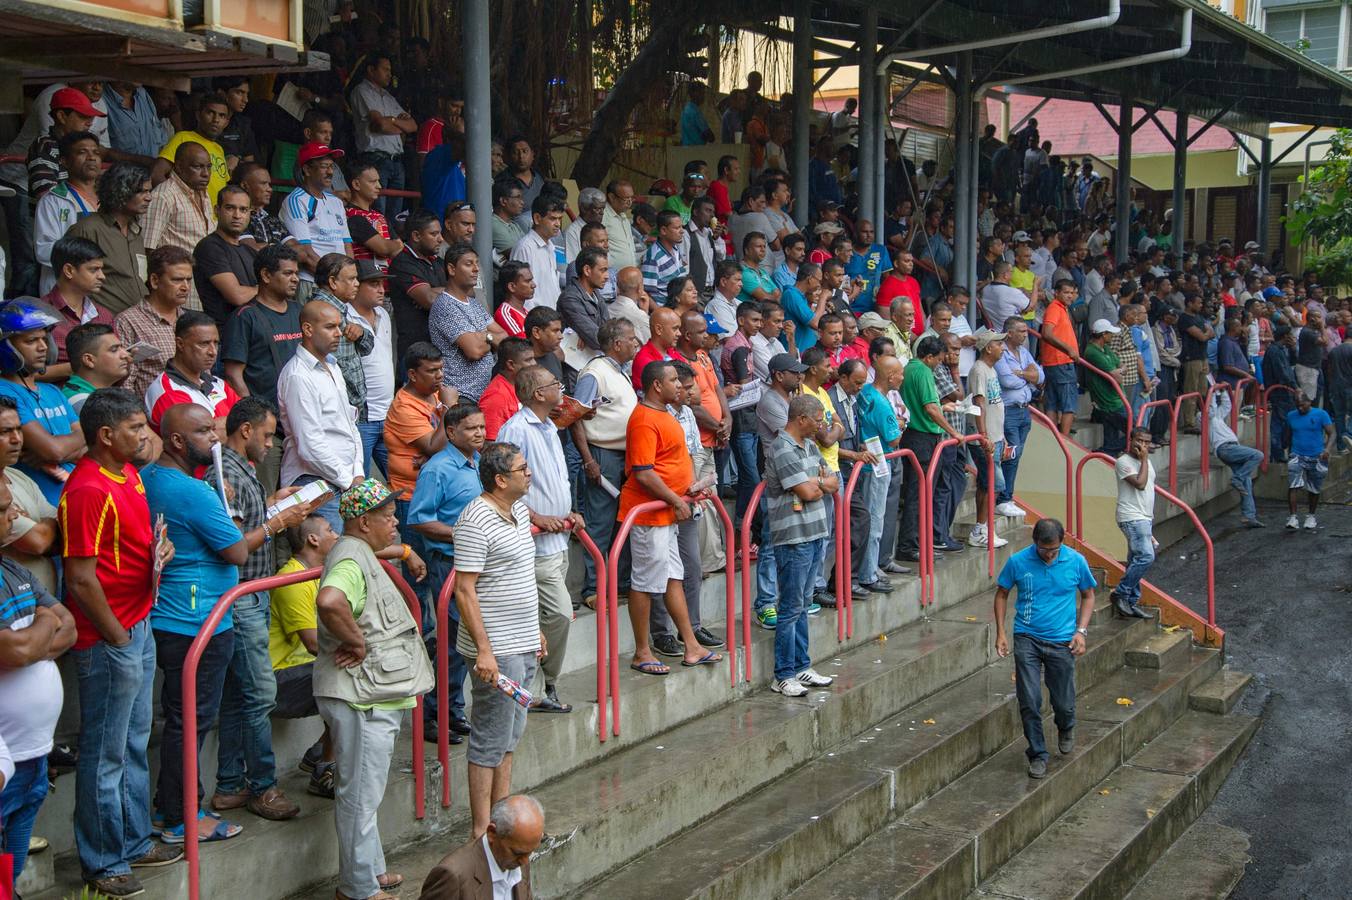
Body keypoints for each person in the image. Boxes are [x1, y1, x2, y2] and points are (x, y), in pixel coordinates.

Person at [62, 389, 181, 897]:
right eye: (135, 427)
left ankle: (132, 843)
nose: (144, 434)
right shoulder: (87, 489)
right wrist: (115, 635)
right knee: (105, 752)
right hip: (111, 636)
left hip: (138, 622)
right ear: (106, 436)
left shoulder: (127, 473)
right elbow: (81, 578)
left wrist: (160, 550)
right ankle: (103, 859)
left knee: (132, 742)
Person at [315, 479, 433, 900]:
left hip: (367, 695)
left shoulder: (357, 549)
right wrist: (356, 641)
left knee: (365, 793)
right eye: (387, 516)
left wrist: (404, 550)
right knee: (359, 797)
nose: (395, 521)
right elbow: (330, 601)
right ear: (363, 522)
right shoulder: (350, 558)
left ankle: (370, 870)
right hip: (359, 697)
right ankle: (358, 888)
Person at [141, 404, 249, 843]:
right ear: (177, 442)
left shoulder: (153, 477)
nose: (215, 438)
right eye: (204, 431)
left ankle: (174, 808)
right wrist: (279, 521)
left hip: (174, 616)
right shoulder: (193, 492)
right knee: (191, 722)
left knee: (185, 720)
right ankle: (182, 818)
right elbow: (238, 552)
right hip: (196, 620)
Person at [204, 397, 312, 820]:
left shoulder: (242, 469)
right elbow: (232, 540)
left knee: (239, 695)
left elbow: (246, 518)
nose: (271, 445)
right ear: (245, 430)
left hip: (253, 592)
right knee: (260, 693)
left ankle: (230, 783)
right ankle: (262, 786)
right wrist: (275, 524)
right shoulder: (224, 472)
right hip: (242, 593)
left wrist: (273, 502)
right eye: (267, 435)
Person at [452, 442, 542, 837]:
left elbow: (522, 575)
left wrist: (535, 628)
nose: (529, 473)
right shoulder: (475, 520)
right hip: (496, 651)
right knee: (490, 737)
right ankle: (479, 829)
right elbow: (464, 590)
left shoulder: (519, 511)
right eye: (522, 469)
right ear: (500, 479)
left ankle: (502, 821)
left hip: (523, 643)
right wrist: (484, 652)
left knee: (510, 735)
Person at [0, 474, 76, 888]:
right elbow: (16, 653)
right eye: (2, 509)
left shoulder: (12, 568)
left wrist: (33, 637)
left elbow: (69, 629)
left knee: (8, 870)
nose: (15, 515)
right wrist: (42, 627)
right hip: (4, 762)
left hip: (33, 757)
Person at [621, 361, 721, 672]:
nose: (681, 385)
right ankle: (642, 652)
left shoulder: (667, 414)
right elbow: (644, 472)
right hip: (650, 515)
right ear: (656, 386)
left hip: (668, 512)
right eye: (674, 380)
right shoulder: (644, 418)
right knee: (645, 582)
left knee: (672, 578)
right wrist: (676, 499)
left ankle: (691, 645)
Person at [496, 367, 579, 712]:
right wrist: (535, 517)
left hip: (558, 538)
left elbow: (553, 480)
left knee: (551, 616)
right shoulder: (516, 428)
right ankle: (541, 682)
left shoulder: (549, 426)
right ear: (537, 394)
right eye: (553, 385)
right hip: (535, 541)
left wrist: (569, 512)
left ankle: (544, 685)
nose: (559, 388)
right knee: (558, 613)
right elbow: (504, 484)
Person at [994, 517, 1096, 779]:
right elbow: (1002, 593)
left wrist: (1081, 631)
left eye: (1054, 550)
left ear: (1062, 543)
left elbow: (1088, 595)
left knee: (1063, 701)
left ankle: (1066, 725)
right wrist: (1001, 633)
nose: (1049, 555)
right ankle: (1037, 753)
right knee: (1029, 699)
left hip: (1062, 640)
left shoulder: (1075, 561)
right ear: (1035, 543)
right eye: (1044, 550)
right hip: (1026, 637)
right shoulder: (1018, 562)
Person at [408, 400, 484, 741]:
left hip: (476, 563)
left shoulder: (478, 463)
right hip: (448, 564)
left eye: (481, 427)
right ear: (451, 432)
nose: (479, 433)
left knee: (465, 642)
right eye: (471, 428)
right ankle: (432, 715)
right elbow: (420, 518)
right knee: (452, 643)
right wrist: (460, 533)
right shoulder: (437, 469)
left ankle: (452, 709)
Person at [764, 393, 839, 697]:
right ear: (802, 419)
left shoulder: (809, 445)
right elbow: (809, 491)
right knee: (791, 606)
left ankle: (802, 665)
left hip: (815, 533)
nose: (822, 426)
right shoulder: (781, 448)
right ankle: (783, 674)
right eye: (818, 420)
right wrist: (818, 483)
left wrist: (818, 483)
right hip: (794, 538)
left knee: (804, 604)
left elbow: (832, 481)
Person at [268, 513, 341, 797]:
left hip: (303, 669)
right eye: (329, 529)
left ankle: (318, 753)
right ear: (313, 539)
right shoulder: (293, 578)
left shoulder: (320, 572)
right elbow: (314, 644)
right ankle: (325, 767)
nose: (335, 535)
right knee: (348, 671)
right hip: (279, 680)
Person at [277, 300, 365, 530]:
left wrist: (357, 472)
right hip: (315, 481)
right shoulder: (298, 376)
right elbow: (309, 444)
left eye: (339, 326)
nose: (338, 333)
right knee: (327, 555)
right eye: (330, 327)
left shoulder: (333, 366)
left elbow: (350, 424)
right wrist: (349, 479)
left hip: (344, 479)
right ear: (307, 329)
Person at [571, 319, 639, 608]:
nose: (636, 344)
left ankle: (619, 583)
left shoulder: (618, 371)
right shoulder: (595, 373)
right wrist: (588, 460)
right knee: (600, 522)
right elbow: (575, 416)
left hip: (623, 456)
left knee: (622, 521)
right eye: (632, 339)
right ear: (617, 343)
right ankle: (592, 589)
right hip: (602, 454)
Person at [0, 299, 85, 504]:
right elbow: (53, 450)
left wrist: (61, 453)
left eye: (44, 339)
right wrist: (65, 448)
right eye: (31, 341)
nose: (42, 347)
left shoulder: (52, 391)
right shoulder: (4, 393)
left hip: (78, 497)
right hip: (46, 506)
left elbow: (90, 443)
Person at [897, 336, 966, 562]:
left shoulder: (909, 368)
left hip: (914, 436)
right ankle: (910, 545)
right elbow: (930, 409)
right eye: (938, 359)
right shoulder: (924, 372)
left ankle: (918, 543)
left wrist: (941, 406)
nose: (939, 363)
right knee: (919, 494)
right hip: (922, 438)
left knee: (918, 493)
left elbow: (929, 404)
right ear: (928, 357)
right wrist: (953, 432)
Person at [65, 162, 152, 315]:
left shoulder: (135, 231)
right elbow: (69, 282)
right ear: (120, 192)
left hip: (137, 323)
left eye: (149, 191)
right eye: (141, 192)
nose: (149, 198)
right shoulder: (88, 229)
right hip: (102, 327)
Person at [418, 794, 541, 899]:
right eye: (517, 853)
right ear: (492, 833)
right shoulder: (453, 876)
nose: (525, 861)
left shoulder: (520, 858)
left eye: (530, 853)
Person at [143, 141, 217, 310]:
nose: (206, 173)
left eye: (209, 167)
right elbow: (148, 250)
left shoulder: (204, 195)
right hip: (177, 299)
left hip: (204, 294)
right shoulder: (163, 197)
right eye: (198, 167)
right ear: (179, 167)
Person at [0, 396, 62, 593]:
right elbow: (38, 543)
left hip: (44, 599)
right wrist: (44, 526)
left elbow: (63, 528)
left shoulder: (16, 475)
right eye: (5, 432)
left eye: (19, 429)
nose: (17, 439)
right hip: (15, 607)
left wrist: (43, 527)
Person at [114, 245, 190, 399]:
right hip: (154, 417)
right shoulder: (128, 321)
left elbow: (205, 374)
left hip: (198, 410)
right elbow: (125, 383)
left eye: (189, 280)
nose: (186, 287)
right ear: (154, 281)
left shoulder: (189, 320)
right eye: (177, 280)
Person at [431, 243, 505, 401]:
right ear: (451, 269)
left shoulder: (474, 304)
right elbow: (474, 351)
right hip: (461, 395)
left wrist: (484, 336)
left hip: (484, 394)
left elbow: (504, 338)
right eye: (468, 264)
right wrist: (489, 338)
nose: (476, 269)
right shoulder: (445, 306)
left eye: (477, 263)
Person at [144, 310, 238, 434]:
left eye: (215, 343)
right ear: (180, 344)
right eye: (204, 344)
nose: (213, 352)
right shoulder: (167, 392)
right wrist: (236, 424)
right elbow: (201, 440)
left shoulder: (217, 383)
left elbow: (249, 419)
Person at [34, 132, 103, 298]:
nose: (91, 158)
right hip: (66, 293)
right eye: (82, 152)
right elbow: (43, 250)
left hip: (103, 290)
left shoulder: (110, 200)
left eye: (96, 152)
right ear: (64, 161)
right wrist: (87, 254)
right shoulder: (53, 200)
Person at [281, 142, 353, 296]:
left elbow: (347, 245)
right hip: (313, 283)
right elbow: (306, 254)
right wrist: (334, 280)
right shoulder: (296, 200)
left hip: (339, 284)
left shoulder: (336, 202)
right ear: (307, 169)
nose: (330, 172)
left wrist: (348, 278)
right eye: (324, 166)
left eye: (331, 166)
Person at [39, 235, 115, 381]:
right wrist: (75, 367)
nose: (102, 276)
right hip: (57, 400)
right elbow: (23, 374)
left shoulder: (103, 316)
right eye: (94, 270)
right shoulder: (40, 315)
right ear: (69, 270)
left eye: (101, 269)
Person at [349, 54, 415, 219]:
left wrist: (391, 121)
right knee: (378, 212)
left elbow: (413, 126)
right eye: (385, 69)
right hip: (375, 160)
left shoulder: (388, 96)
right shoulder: (361, 91)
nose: (389, 74)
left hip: (396, 160)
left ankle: (390, 243)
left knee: (395, 216)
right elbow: (380, 124)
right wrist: (396, 122)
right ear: (371, 70)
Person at [348, 260, 395, 474]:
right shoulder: (344, 317)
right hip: (361, 417)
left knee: (399, 479)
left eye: (382, 284)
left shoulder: (383, 314)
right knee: (359, 484)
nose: (381, 290)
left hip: (388, 414)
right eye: (374, 284)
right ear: (356, 286)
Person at [994, 316, 1040, 517]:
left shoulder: (1024, 351)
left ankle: (1007, 496)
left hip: (1024, 410)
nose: (1025, 334)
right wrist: (1028, 376)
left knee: (1016, 455)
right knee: (1011, 455)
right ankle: (1003, 498)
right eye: (1021, 331)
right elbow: (1007, 381)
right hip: (1009, 410)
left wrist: (1020, 373)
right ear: (1009, 333)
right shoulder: (1001, 351)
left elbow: (1041, 376)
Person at [968, 330, 1010, 549]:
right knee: (994, 484)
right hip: (986, 438)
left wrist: (1000, 438)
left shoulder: (990, 370)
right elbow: (979, 403)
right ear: (988, 347)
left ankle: (981, 528)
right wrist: (984, 436)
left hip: (995, 436)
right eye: (999, 344)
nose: (1003, 347)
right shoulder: (979, 370)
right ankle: (982, 529)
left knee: (988, 483)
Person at [388, 210, 447, 365]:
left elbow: (468, 292)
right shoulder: (403, 263)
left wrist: (436, 291)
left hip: (439, 349)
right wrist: (445, 291)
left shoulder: (438, 262)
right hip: (415, 354)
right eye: (434, 234)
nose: (440, 239)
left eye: (440, 233)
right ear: (416, 236)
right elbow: (430, 300)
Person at [1111, 427, 1156, 619]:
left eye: (1147, 442)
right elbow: (1140, 484)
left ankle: (1130, 601)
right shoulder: (1123, 462)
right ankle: (1121, 593)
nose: (1142, 445)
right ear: (1130, 440)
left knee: (1134, 560)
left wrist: (1148, 527)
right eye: (1139, 441)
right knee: (1146, 556)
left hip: (1144, 518)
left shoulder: (1146, 462)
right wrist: (1144, 459)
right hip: (1131, 516)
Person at [151, 93, 230, 201]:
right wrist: (179, 202)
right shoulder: (183, 138)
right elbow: (157, 174)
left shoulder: (219, 149)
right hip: (188, 214)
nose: (216, 119)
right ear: (198, 115)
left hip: (213, 216)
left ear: (226, 122)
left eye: (222, 116)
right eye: (210, 113)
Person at [1208, 390, 1265, 529]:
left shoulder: (1218, 418)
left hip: (1230, 448)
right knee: (1258, 455)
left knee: (1247, 483)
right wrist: (1213, 392)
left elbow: (1227, 406)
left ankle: (1249, 516)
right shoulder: (1205, 417)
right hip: (1225, 448)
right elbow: (1211, 408)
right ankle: (1237, 478)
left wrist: (1223, 391)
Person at [1284, 392, 1334, 531]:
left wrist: (1327, 449)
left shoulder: (1321, 414)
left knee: (1314, 487)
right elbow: (1287, 434)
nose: (1300, 408)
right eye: (1298, 406)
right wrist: (1287, 452)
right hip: (1297, 454)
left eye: (1303, 405)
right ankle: (1293, 516)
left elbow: (1332, 433)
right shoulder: (1291, 416)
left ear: (1309, 402)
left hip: (1317, 455)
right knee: (1293, 485)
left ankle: (1311, 516)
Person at [345, 155, 405, 268]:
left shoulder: (379, 216)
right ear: (356, 184)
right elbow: (384, 248)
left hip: (387, 280)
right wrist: (393, 246)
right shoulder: (351, 216)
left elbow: (399, 248)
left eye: (378, 181)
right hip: (365, 281)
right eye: (373, 182)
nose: (379, 186)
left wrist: (392, 246)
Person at [509, 195, 566, 311]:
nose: (558, 224)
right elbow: (519, 291)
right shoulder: (524, 247)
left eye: (559, 219)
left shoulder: (551, 246)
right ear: (537, 218)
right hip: (534, 321)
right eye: (552, 218)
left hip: (552, 318)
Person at [557, 248, 612, 368]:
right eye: (602, 270)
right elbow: (597, 338)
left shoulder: (596, 294)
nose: (607, 276)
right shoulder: (570, 298)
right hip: (576, 367)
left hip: (592, 361)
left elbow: (609, 328)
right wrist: (590, 337)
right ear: (587, 270)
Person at [1039, 278, 1080, 436]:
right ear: (1056, 293)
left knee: (1052, 404)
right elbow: (1047, 333)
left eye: (1072, 293)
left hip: (1054, 363)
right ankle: (1064, 440)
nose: (1070, 296)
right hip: (1061, 362)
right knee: (1068, 405)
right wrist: (1068, 348)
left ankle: (1054, 437)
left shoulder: (1061, 308)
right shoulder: (1055, 308)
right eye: (1066, 292)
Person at [62, 322, 132, 413]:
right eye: (114, 350)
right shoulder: (82, 403)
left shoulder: (98, 396)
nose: (126, 355)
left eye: (122, 348)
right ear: (89, 360)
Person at [1084, 319, 1129, 455]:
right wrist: (1118, 372)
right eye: (1110, 333)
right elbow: (1116, 373)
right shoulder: (1092, 351)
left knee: (1111, 435)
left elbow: (1121, 366)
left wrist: (1118, 371)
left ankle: (1107, 454)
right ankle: (1103, 452)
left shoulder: (1105, 348)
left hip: (1115, 398)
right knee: (1134, 433)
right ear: (1103, 334)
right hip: (1109, 401)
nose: (1112, 336)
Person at [1176, 292, 1215, 432]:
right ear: (1189, 303)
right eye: (1198, 303)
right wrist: (1206, 334)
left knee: (1202, 391)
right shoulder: (1185, 319)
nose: (1200, 305)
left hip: (1203, 357)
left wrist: (1206, 334)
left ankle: (1200, 419)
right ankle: (1189, 423)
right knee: (1191, 391)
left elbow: (1212, 332)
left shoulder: (1199, 317)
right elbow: (1202, 337)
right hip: (1191, 358)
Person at [1261, 325, 1299, 462]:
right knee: (1280, 424)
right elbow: (1282, 373)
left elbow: (1292, 362)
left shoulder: (1282, 350)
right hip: (1279, 393)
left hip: (1285, 392)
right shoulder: (1274, 351)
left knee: (1285, 423)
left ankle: (1280, 453)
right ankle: (1277, 454)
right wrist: (1295, 387)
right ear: (1285, 336)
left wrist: (1293, 348)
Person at [640, 210, 689, 305]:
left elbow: (681, 279)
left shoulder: (675, 249)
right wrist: (661, 313)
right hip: (665, 310)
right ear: (663, 230)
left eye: (681, 227)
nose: (682, 231)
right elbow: (646, 293)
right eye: (677, 228)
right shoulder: (654, 257)